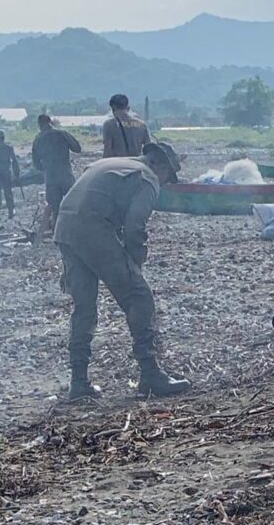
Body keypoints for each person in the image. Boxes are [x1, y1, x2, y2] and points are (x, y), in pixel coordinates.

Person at [55, 140, 190, 399]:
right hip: (93, 228)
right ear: (161, 165)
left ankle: (78, 382)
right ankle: (150, 373)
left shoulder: (108, 163)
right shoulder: (147, 178)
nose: (165, 183)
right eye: (168, 177)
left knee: (84, 307)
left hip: (65, 228)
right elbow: (135, 226)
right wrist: (135, 262)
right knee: (139, 297)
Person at [30, 113, 83, 237]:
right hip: (66, 175)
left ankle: (58, 234)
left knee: (55, 209)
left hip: (51, 178)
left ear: (39, 125)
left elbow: (36, 164)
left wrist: (47, 168)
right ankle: (77, 230)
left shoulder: (38, 140)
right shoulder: (62, 133)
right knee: (74, 203)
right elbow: (77, 148)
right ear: (50, 122)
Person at [101, 94, 151, 158]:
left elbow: (107, 149)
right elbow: (149, 148)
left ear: (113, 108)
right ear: (128, 108)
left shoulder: (109, 125)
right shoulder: (142, 125)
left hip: (117, 162)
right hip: (135, 162)